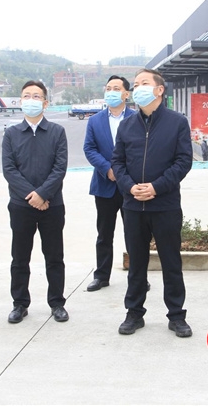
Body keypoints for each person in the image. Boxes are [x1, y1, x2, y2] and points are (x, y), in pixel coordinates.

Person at [112, 68, 193, 338]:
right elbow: (117, 162)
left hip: (165, 205)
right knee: (136, 264)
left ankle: (177, 316)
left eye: (144, 83)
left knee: (171, 262)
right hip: (133, 206)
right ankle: (134, 313)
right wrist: (129, 186)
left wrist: (156, 187)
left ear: (159, 90)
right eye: (135, 85)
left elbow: (183, 161)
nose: (138, 88)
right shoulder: (126, 125)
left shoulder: (177, 122)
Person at [2, 80, 69, 324]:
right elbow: (9, 170)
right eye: (27, 96)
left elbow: (59, 168)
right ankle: (20, 303)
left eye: (36, 96)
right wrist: (32, 196)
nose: (31, 100)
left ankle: (57, 303)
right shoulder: (11, 134)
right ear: (21, 101)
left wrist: (43, 194)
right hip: (21, 206)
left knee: (54, 257)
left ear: (45, 103)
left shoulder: (57, 132)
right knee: (20, 257)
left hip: (52, 205)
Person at [83, 75, 137, 292]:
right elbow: (89, 149)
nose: (111, 92)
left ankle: (138, 275)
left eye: (116, 88)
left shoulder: (137, 118)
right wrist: (107, 169)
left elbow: (142, 149)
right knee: (104, 233)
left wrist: (122, 173)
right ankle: (101, 276)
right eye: (108, 88)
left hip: (131, 185)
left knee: (134, 233)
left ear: (126, 94)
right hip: (104, 185)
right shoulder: (95, 121)